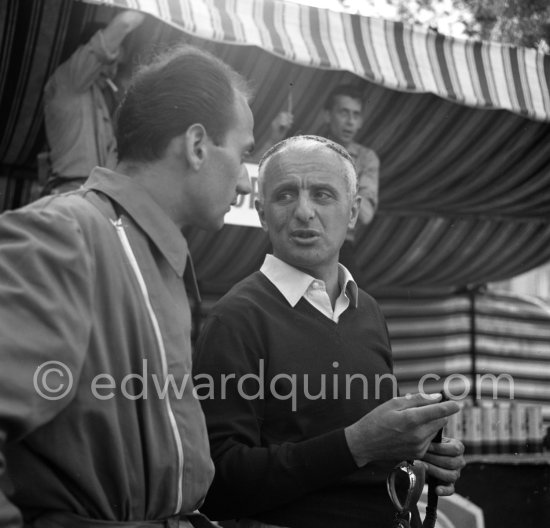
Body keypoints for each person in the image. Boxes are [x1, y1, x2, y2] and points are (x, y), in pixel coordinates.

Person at [0, 45, 254, 527]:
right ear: (198, 145)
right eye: (243, 153)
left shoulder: (162, 257)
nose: (244, 182)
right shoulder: (68, 234)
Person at [193, 135, 465, 528]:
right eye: (286, 195)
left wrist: (415, 452)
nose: (304, 211)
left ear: (353, 213)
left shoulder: (368, 310)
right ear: (261, 212)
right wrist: (357, 444)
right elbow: (216, 484)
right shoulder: (235, 318)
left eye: (322, 194)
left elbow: (359, 452)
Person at [251, 84, 379, 276]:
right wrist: (273, 139)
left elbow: (366, 214)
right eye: (344, 113)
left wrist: (338, 172)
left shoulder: (367, 158)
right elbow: (253, 176)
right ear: (327, 115)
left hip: (339, 246)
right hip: (294, 237)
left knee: (356, 299)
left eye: (356, 115)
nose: (350, 121)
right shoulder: (303, 147)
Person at [41, 9, 146, 196]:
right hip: (70, 192)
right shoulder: (69, 79)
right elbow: (122, 24)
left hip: (95, 196)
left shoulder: (104, 98)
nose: (113, 69)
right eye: (111, 60)